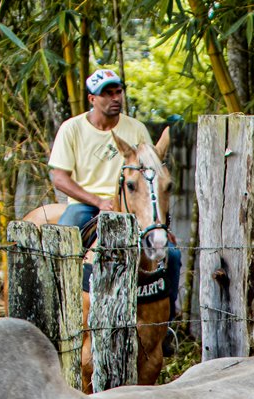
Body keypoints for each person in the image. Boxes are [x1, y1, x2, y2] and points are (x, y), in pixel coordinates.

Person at [49, 69, 180, 309]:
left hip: (131, 209)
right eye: (107, 94)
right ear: (92, 99)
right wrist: (98, 201)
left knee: (172, 255)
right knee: (60, 246)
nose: (115, 98)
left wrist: (159, 221)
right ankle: (58, 309)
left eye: (118, 92)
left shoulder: (136, 129)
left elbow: (151, 178)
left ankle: (167, 321)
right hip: (86, 206)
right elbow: (60, 178)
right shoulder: (72, 129)